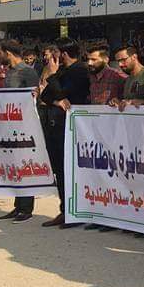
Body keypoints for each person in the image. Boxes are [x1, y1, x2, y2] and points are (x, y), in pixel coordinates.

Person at [37, 37, 90, 227]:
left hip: (72, 129)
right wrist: (56, 101)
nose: (52, 57)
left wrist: (52, 77)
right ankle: (64, 210)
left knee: (71, 171)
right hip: (56, 127)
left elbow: (64, 94)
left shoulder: (79, 71)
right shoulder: (62, 71)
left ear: (64, 54)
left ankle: (75, 211)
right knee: (59, 170)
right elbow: (46, 96)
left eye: (55, 53)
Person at [0, 39, 41, 223]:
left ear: (8, 53)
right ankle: (18, 205)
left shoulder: (27, 71)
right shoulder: (10, 71)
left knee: (25, 165)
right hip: (11, 125)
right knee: (14, 166)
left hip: (25, 127)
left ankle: (26, 208)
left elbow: (34, 96)